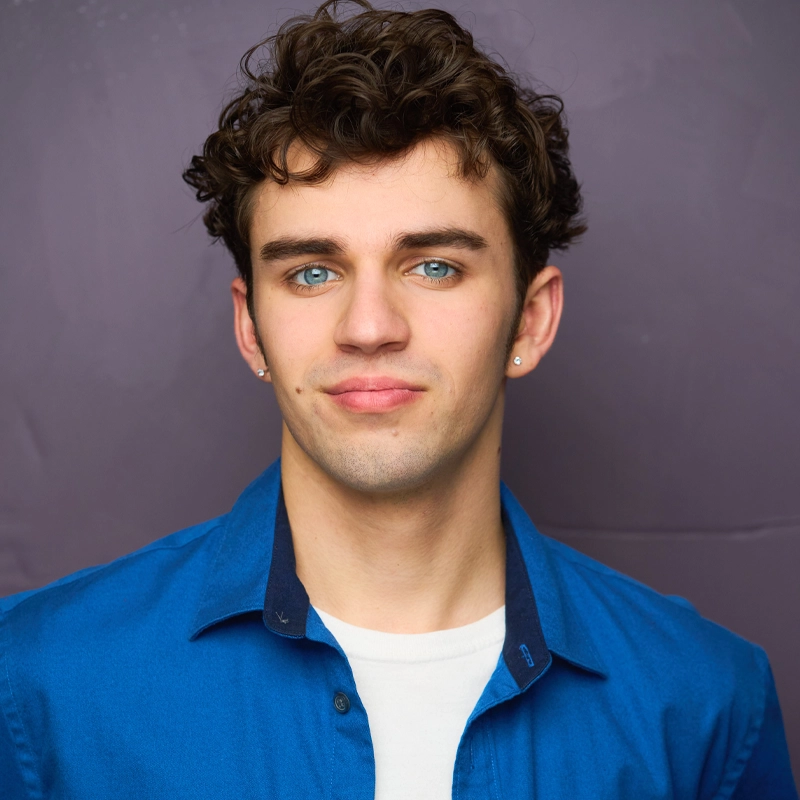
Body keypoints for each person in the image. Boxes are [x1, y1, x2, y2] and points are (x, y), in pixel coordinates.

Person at [0, 1, 796, 797]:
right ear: (251, 331)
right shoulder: (36, 686)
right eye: (312, 272)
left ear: (531, 318)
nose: (369, 327)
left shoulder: (707, 705)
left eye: (435, 266)